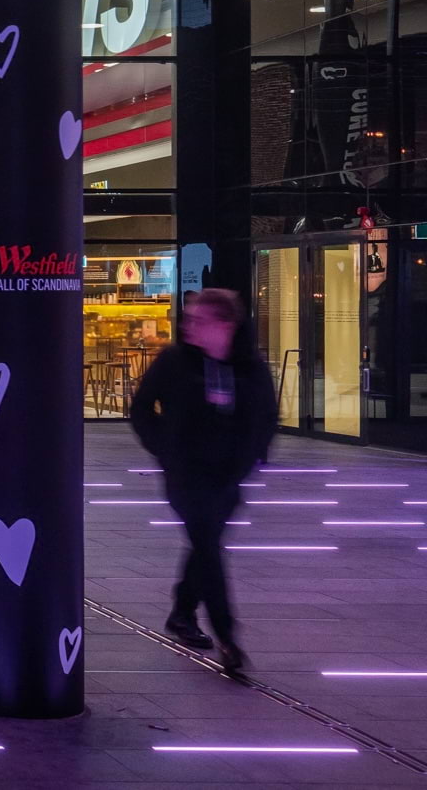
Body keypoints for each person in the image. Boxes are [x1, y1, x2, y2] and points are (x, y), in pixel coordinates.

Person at [130, 287, 275, 675]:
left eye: (199, 320)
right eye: (188, 318)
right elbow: (141, 407)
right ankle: (228, 638)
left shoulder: (250, 367)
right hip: (186, 474)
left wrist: (252, 458)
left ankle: (181, 611)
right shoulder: (176, 361)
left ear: (225, 325)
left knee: (205, 543)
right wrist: (164, 448)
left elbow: (265, 416)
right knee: (209, 548)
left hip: (228, 475)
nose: (188, 325)